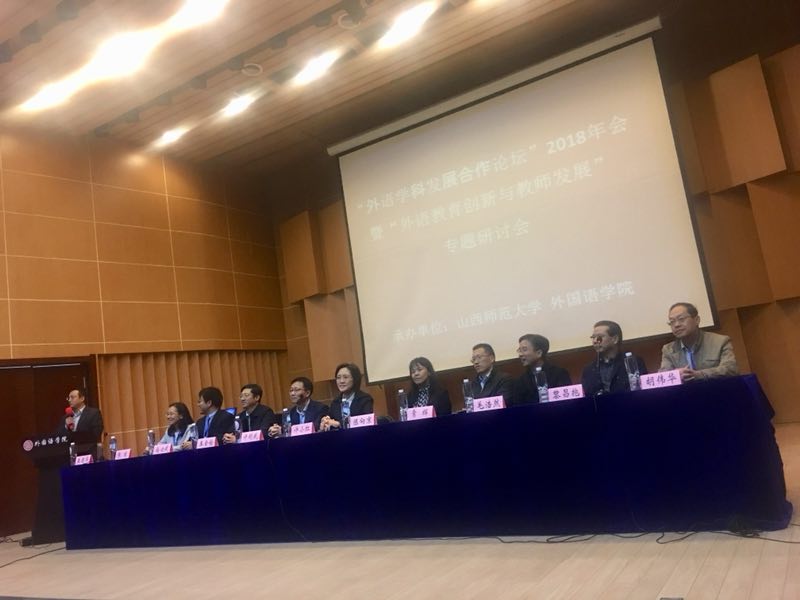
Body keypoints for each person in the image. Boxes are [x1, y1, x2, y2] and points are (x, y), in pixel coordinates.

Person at [659, 302, 739, 381]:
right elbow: (662, 377)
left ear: (697, 320)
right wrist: (676, 375)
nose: (676, 325)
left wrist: (699, 375)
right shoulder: (668, 349)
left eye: (681, 319)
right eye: (672, 321)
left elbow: (731, 369)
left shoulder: (720, 341)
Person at [581, 320, 647, 396]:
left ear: (615, 339)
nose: (595, 341)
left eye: (599, 337)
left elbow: (639, 391)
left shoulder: (633, 362)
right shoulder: (588, 370)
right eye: (593, 337)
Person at [513, 334, 572, 405]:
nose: (520, 354)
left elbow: (567, 401)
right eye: (519, 350)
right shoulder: (521, 380)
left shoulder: (559, 373)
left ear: (539, 353)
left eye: (524, 350)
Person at [320, 363, 373, 431]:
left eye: (345, 377)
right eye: (338, 378)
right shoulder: (335, 402)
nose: (341, 381)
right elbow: (331, 423)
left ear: (355, 379)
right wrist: (326, 422)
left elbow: (366, 423)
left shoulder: (365, 399)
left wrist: (339, 424)